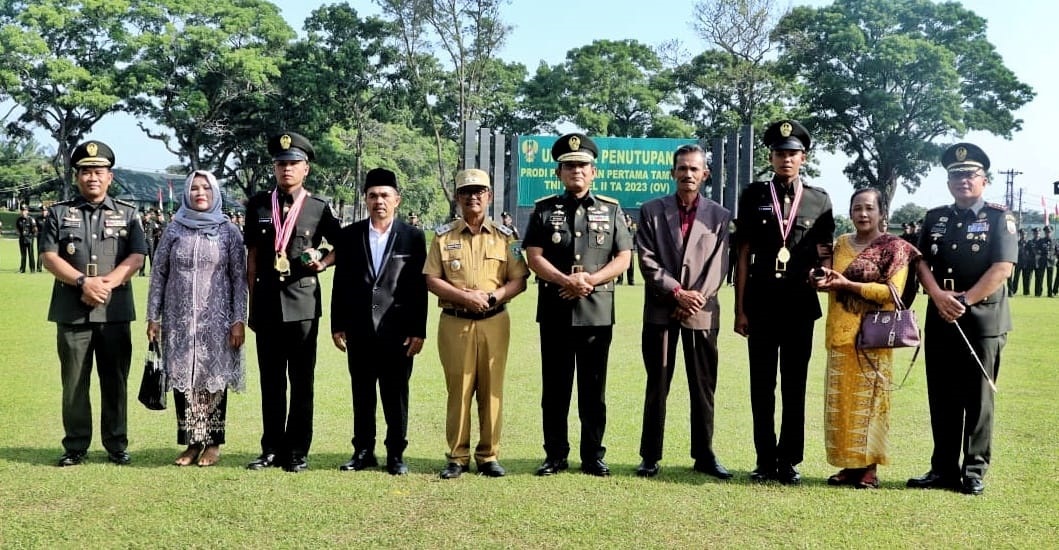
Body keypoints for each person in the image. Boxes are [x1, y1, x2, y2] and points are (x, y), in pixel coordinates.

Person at [907, 142, 1017, 496]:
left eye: (969, 174)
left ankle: (973, 469)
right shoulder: (935, 217)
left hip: (982, 317)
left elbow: (1002, 268)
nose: (962, 180)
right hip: (941, 313)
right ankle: (942, 469)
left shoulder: (1000, 218)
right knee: (942, 395)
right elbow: (920, 261)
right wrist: (939, 296)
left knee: (978, 397)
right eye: (955, 175)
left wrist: (965, 300)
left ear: (984, 180)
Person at [523, 133, 633, 477]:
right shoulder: (543, 210)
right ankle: (555, 455)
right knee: (554, 390)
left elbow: (624, 257)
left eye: (582, 165)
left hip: (596, 312)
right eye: (569, 166)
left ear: (593, 171)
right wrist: (565, 280)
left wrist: (590, 281)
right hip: (556, 309)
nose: (576, 171)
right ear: (559, 172)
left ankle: (592, 456)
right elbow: (533, 256)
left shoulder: (610, 209)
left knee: (592, 390)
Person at [733, 119, 835, 484]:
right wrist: (739, 308)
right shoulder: (754, 195)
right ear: (771, 157)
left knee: (795, 383)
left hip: (799, 305)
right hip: (760, 304)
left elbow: (826, 250)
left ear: (803, 157)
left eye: (792, 153)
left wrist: (823, 272)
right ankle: (764, 458)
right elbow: (742, 254)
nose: (786, 159)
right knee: (761, 384)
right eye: (779, 153)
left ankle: (789, 459)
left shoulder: (819, 199)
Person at [39, 140, 148, 467]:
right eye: (85, 172)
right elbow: (48, 256)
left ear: (109, 177)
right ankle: (75, 446)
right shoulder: (59, 213)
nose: (92, 178)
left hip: (113, 311)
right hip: (72, 310)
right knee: (74, 384)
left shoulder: (128, 215)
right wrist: (84, 282)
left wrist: (105, 285)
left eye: (98, 172)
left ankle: (116, 444)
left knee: (114, 381)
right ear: (77, 177)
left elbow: (137, 256)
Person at [244, 131, 341, 473]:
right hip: (267, 307)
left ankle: (297, 450)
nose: (287, 169)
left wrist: (323, 262)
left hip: (302, 305)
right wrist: (251, 304)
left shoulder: (318, 207)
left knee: (301, 381)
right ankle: (270, 448)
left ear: (306, 169)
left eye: (294, 164)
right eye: (281, 163)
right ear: (274, 168)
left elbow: (340, 246)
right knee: (270, 381)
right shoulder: (257, 204)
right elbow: (253, 255)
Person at [633, 144, 732, 479]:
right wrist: (676, 292)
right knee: (657, 383)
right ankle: (650, 455)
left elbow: (720, 266)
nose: (688, 174)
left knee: (703, 386)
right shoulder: (651, 211)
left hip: (701, 313)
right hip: (661, 311)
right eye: (682, 168)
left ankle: (704, 454)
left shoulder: (719, 216)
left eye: (694, 169)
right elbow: (646, 260)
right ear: (672, 172)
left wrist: (693, 299)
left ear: (705, 174)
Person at [813, 188, 920, 489]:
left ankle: (869, 469)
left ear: (881, 213)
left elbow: (892, 293)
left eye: (869, 209)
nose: (863, 214)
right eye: (857, 208)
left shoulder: (894, 248)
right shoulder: (841, 244)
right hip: (840, 334)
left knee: (871, 404)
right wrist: (819, 280)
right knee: (843, 404)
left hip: (874, 336)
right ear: (850, 212)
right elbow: (830, 281)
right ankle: (850, 465)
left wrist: (849, 284)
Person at [425, 169, 528, 479]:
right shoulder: (443, 237)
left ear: (489, 196)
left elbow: (519, 279)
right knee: (459, 389)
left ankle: (489, 455)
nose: (473, 196)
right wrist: (463, 297)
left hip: (495, 321)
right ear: (457, 197)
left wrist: (493, 297)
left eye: (479, 190)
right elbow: (430, 278)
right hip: (455, 322)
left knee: (492, 389)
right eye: (466, 191)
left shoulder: (507, 238)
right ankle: (457, 456)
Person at [146, 170, 247, 467]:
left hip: (217, 319)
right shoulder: (174, 229)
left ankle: (213, 443)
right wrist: (154, 316)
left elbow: (239, 279)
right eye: (194, 188)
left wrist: (238, 319)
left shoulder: (228, 231)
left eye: (205, 188)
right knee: (184, 378)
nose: (200, 193)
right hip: (178, 319)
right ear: (186, 193)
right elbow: (159, 273)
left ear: (215, 193)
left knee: (212, 379)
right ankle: (192, 442)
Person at [331, 168, 427, 476]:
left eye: (385, 195)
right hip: (359, 328)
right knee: (362, 392)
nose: (379, 201)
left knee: (396, 393)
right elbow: (341, 281)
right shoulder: (349, 235)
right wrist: (337, 323)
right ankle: (362, 450)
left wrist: (418, 329)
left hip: (397, 329)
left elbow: (418, 286)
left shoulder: (412, 236)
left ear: (397, 200)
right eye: (372, 196)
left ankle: (396, 453)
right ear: (365, 199)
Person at [16, 205, 37, 273]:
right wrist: (18, 233)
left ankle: (32, 269)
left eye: (24, 211)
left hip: (29, 239)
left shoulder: (31, 219)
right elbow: (17, 229)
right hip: (22, 239)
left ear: (27, 211)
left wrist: (32, 235)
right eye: (22, 211)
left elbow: (34, 229)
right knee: (23, 255)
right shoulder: (19, 220)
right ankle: (22, 269)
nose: (23, 212)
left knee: (31, 254)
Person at [1036, 225, 1055, 297]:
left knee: (1050, 279)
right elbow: (1036, 249)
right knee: (1040, 278)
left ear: (1052, 232)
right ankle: (1039, 293)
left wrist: (1055, 257)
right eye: (1047, 232)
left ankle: (1050, 293)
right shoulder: (1041, 241)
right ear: (1044, 232)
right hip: (1042, 261)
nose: (1048, 233)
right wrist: (1039, 254)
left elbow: (1057, 251)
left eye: (1049, 232)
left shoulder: (1054, 241)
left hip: (1051, 262)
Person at [1009, 229, 1027, 296]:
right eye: (1022, 234)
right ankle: (1014, 290)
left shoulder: (1028, 243)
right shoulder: (1017, 243)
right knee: (1016, 277)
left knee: (1025, 277)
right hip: (1018, 262)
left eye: (1024, 234)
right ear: (1020, 235)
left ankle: (1026, 291)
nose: (1023, 236)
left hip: (1025, 262)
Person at [35, 206, 49, 272]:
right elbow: (35, 228)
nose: (44, 212)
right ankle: (39, 267)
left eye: (45, 211)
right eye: (43, 211)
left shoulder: (50, 218)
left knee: (49, 252)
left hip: (48, 237)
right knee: (40, 252)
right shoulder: (38, 219)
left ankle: (50, 268)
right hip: (40, 237)